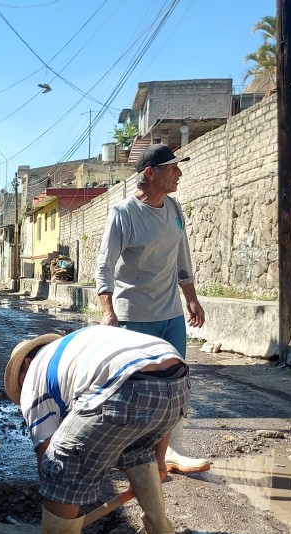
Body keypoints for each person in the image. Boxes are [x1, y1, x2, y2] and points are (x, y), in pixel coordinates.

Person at [4, 325, 190, 534]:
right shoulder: (77, 348)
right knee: (134, 447)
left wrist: (58, 496)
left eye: (19, 384)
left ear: (25, 364)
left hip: (124, 384)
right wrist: (159, 460)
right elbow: (154, 394)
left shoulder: (33, 377)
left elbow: (48, 456)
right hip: (178, 380)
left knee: (60, 464)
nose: (21, 391)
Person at [94, 143, 209, 474]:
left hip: (170, 315)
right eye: (172, 168)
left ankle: (165, 455)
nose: (179, 173)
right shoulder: (124, 214)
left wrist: (191, 297)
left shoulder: (173, 208)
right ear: (149, 173)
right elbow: (104, 266)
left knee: (176, 388)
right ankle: (130, 454)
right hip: (135, 317)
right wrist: (108, 310)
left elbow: (181, 257)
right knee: (137, 391)